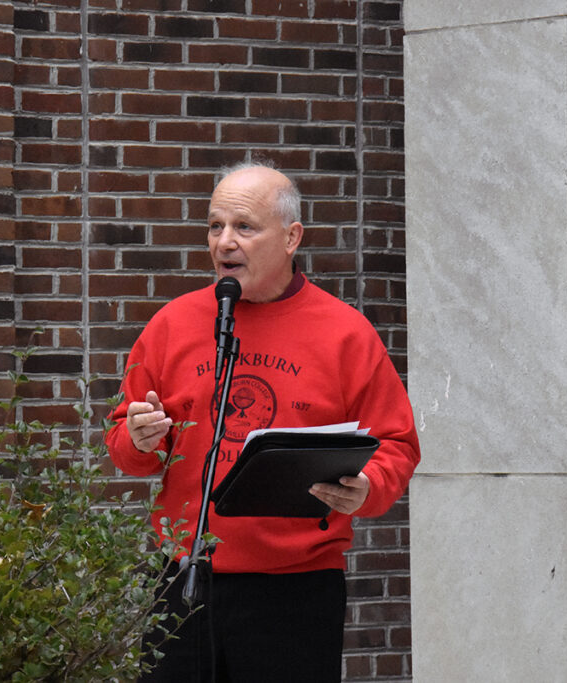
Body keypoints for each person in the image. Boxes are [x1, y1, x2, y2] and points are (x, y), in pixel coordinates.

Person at [105, 162, 420, 682]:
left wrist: (367, 487)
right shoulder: (172, 325)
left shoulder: (345, 333)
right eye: (215, 226)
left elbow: (398, 444)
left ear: (292, 237)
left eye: (244, 227)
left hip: (295, 590)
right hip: (183, 580)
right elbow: (125, 442)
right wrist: (139, 439)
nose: (224, 242)